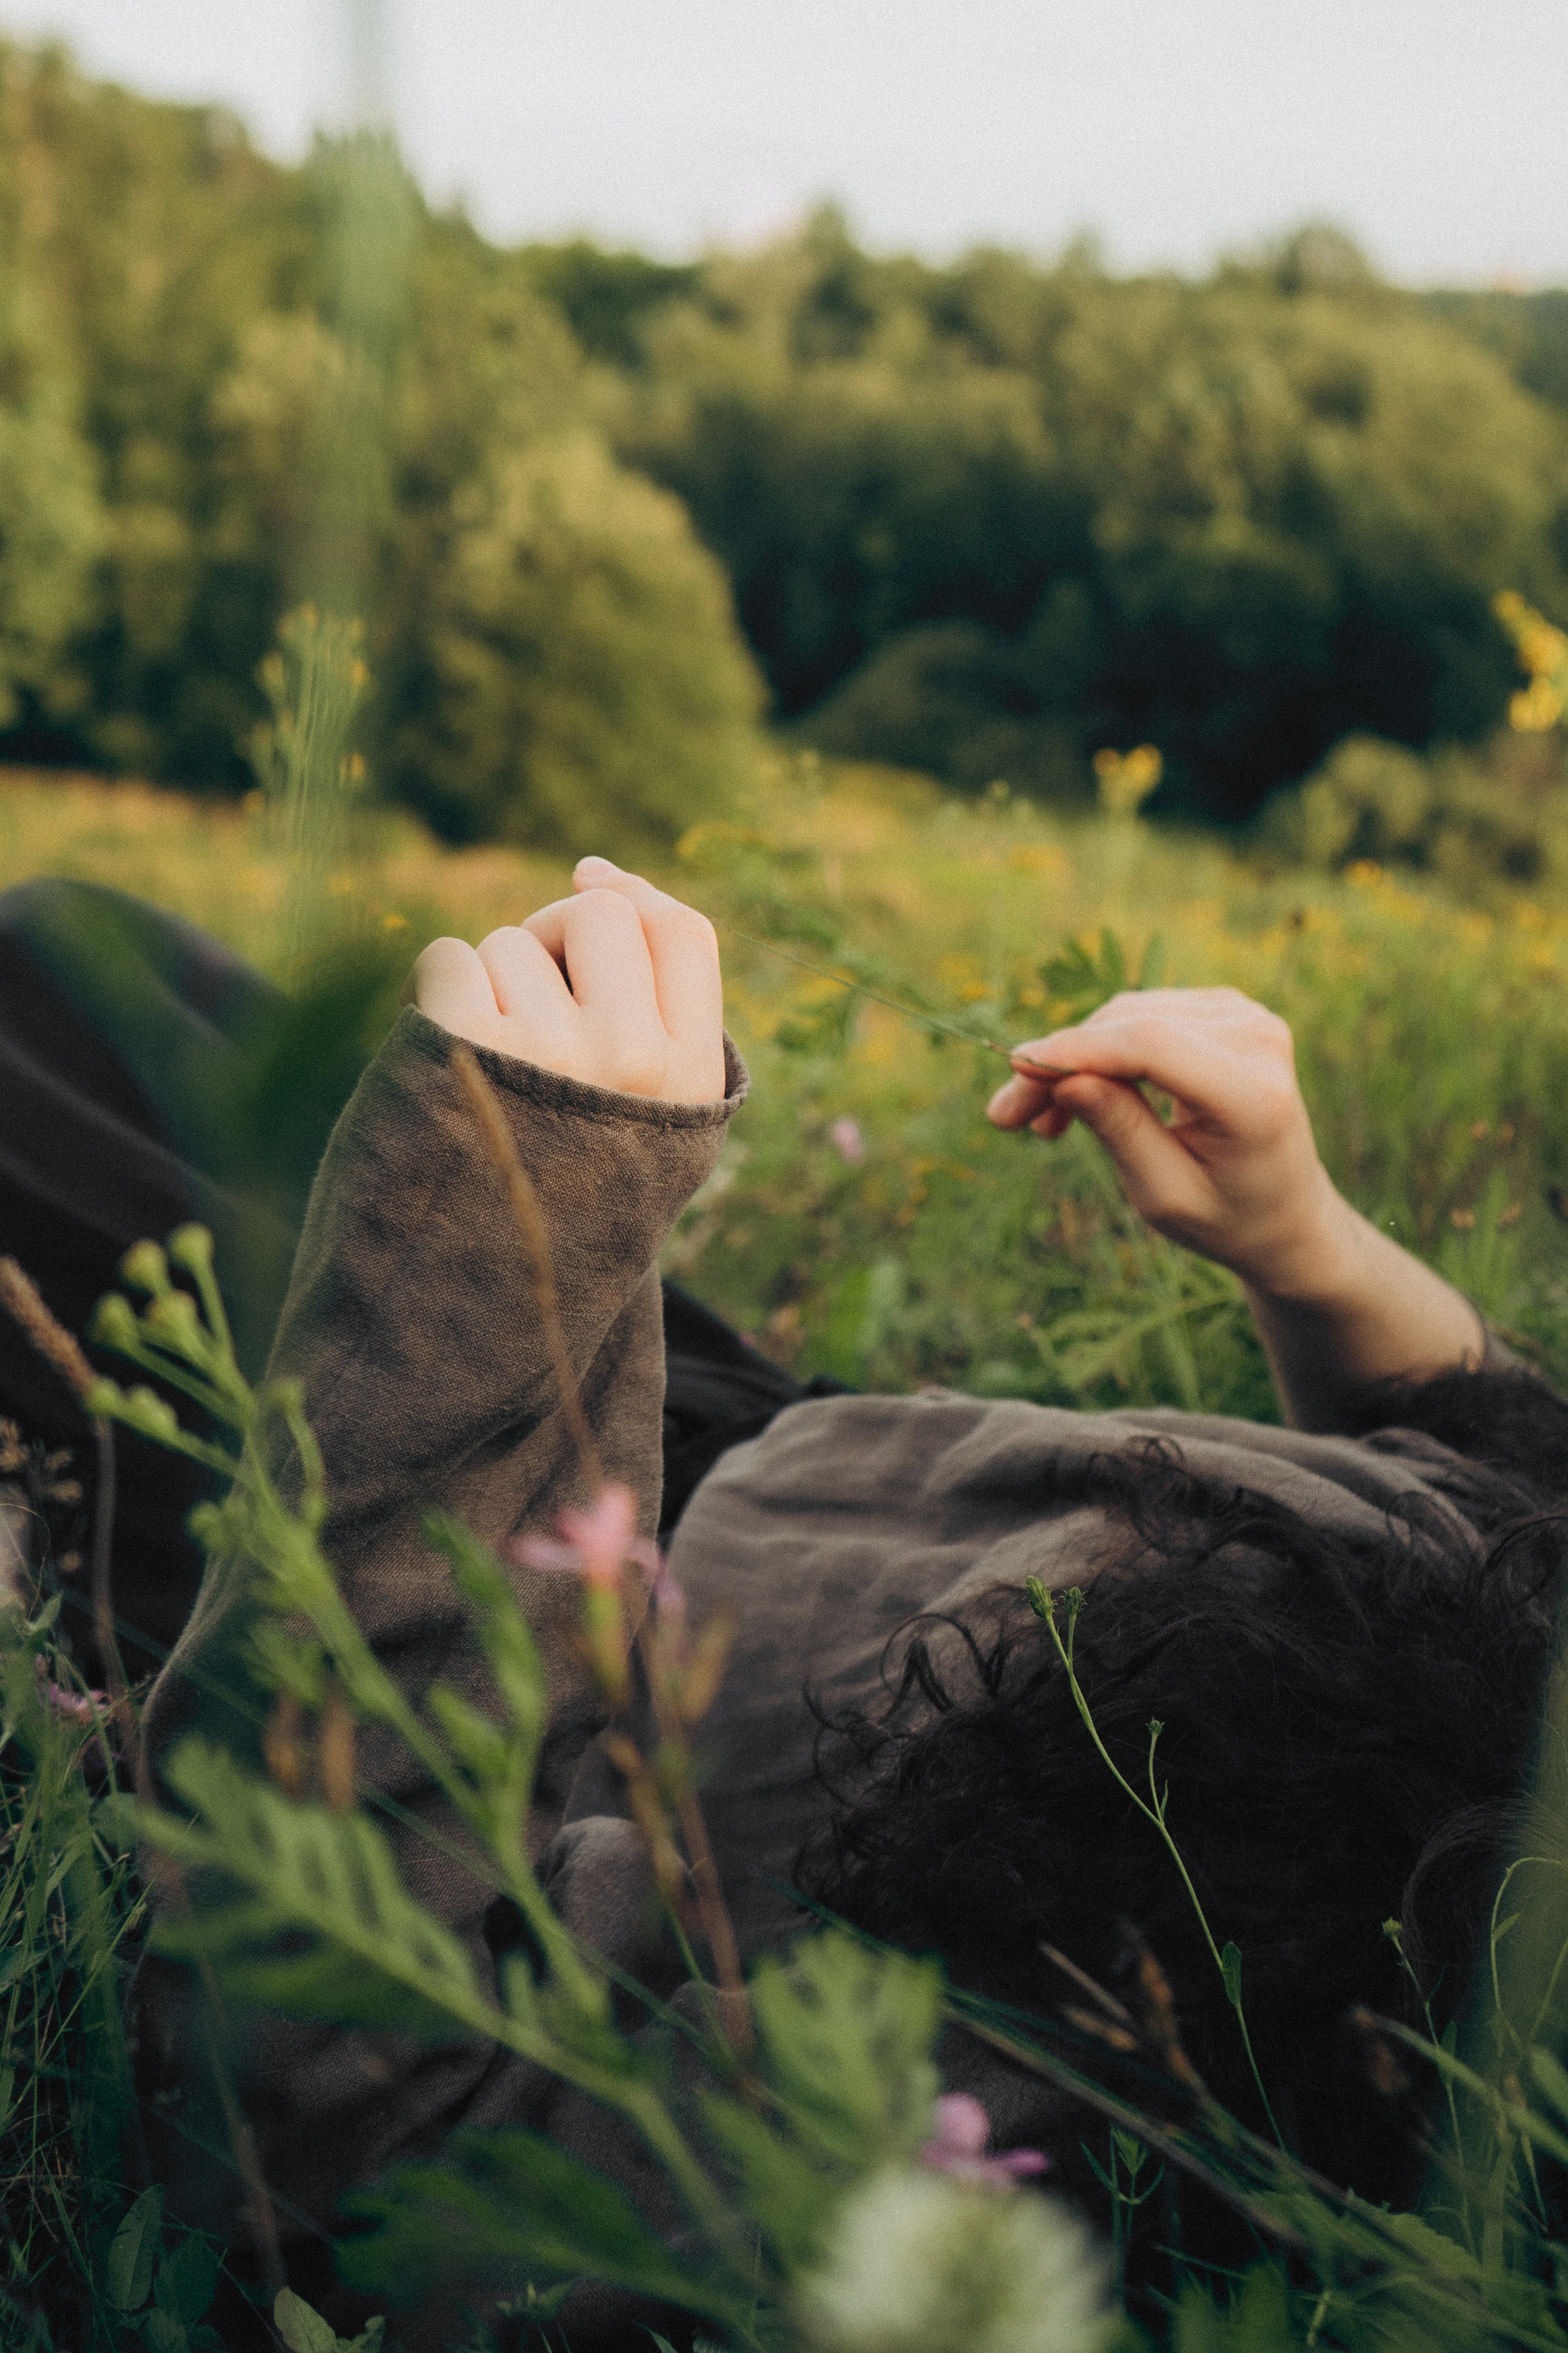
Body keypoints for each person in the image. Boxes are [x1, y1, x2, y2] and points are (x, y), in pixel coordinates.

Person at [3, 860, 1567, 2342]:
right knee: (67, 958)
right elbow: (1510, 1502)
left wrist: (504, 1225)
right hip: (728, 1431)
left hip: (454, 1583)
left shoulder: (1290, 2035)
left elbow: (365, 2155)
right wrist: (1310, 1245)